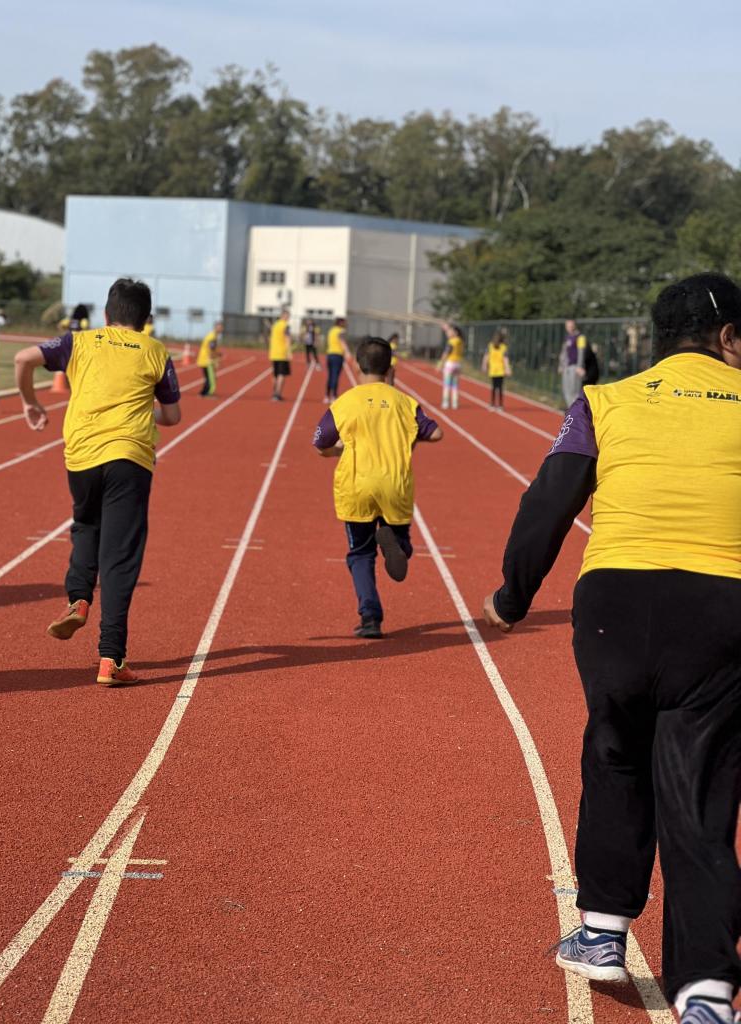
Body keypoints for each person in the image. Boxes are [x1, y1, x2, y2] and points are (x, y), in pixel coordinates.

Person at [482, 272, 741, 1024]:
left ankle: (601, 931)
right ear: (727, 339)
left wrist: (513, 594)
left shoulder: (606, 400)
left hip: (615, 607)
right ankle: (706, 991)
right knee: (701, 791)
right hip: (723, 608)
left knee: (614, 753)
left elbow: (549, 503)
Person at [14, 278, 182, 686]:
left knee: (86, 526)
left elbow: (22, 358)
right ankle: (111, 659)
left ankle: (78, 598)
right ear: (146, 321)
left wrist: (30, 402)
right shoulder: (156, 351)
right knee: (121, 555)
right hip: (129, 457)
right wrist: (143, 410)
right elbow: (173, 416)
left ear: (106, 315)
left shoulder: (79, 341)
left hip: (82, 455)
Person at [313, 336, 443, 638]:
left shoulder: (345, 402)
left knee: (360, 553)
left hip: (357, 484)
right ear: (389, 368)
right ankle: (399, 547)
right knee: (400, 541)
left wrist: (339, 450)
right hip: (395, 483)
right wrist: (408, 438)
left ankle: (370, 617)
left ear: (358, 365)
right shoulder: (404, 402)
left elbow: (320, 443)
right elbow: (436, 433)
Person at [558, 318, 587, 410]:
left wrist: (579, 366)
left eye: (571, 325)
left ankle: (576, 413)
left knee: (574, 391)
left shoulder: (580, 337)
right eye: (567, 326)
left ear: (575, 325)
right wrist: (561, 365)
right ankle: (571, 410)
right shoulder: (567, 337)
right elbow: (564, 352)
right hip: (566, 367)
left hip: (574, 367)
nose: (569, 327)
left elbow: (581, 352)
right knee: (566, 390)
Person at [325, 317, 351, 404]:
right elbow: (342, 340)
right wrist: (347, 352)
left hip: (330, 354)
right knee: (335, 375)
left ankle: (327, 395)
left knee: (330, 375)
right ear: (340, 323)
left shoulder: (331, 330)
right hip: (338, 355)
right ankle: (334, 396)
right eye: (344, 323)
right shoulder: (341, 331)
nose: (346, 324)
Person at [439, 322, 464, 410]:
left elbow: (446, 353)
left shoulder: (452, 341)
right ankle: (455, 403)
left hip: (450, 364)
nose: (448, 333)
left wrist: (440, 364)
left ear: (455, 332)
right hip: (458, 364)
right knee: (455, 385)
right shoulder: (460, 341)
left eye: (451, 331)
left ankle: (445, 402)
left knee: (447, 384)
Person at [269, 309, 292, 401]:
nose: (289, 318)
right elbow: (287, 338)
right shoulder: (285, 326)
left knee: (275, 374)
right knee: (281, 374)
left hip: (273, 353)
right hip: (282, 353)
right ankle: (277, 394)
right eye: (288, 316)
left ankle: (274, 392)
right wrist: (289, 352)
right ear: (284, 316)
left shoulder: (275, 325)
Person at [483, 328, 510, 407]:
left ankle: (493, 403)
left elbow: (486, 356)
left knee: (495, 387)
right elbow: (505, 359)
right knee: (499, 387)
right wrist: (507, 368)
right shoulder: (501, 347)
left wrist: (484, 365)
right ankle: (498, 404)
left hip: (495, 369)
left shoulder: (492, 346)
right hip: (499, 369)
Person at [198, 320, 223, 396]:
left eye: (221, 327)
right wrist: (217, 357)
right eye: (220, 327)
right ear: (216, 328)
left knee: (208, 377)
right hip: (207, 360)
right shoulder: (212, 337)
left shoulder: (213, 335)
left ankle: (203, 392)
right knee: (211, 378)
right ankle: (208, 393)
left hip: (205, 359)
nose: (221, 329)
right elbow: (211, 349)